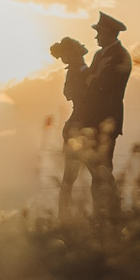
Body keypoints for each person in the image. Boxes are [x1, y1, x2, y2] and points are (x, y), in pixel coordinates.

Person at [65, 12, 131, 221]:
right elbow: (90, 81)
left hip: (106, 120)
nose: (96, 38)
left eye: (99, 33)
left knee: (102, 169)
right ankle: (102, 214)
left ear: (110, 33)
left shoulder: (119, 56)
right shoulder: (101, 55)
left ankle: (110, 214)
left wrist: (86, 73)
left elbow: (99, 85)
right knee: (97, 170)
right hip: (95, 120)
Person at [48, 36, 91, 221]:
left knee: (73, 176)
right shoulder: (76, 72)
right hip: (78, 126)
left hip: (82, 124)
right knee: (70, 176)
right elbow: (69, 93)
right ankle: (64, 216)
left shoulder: (85, 70)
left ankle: (65, 215)